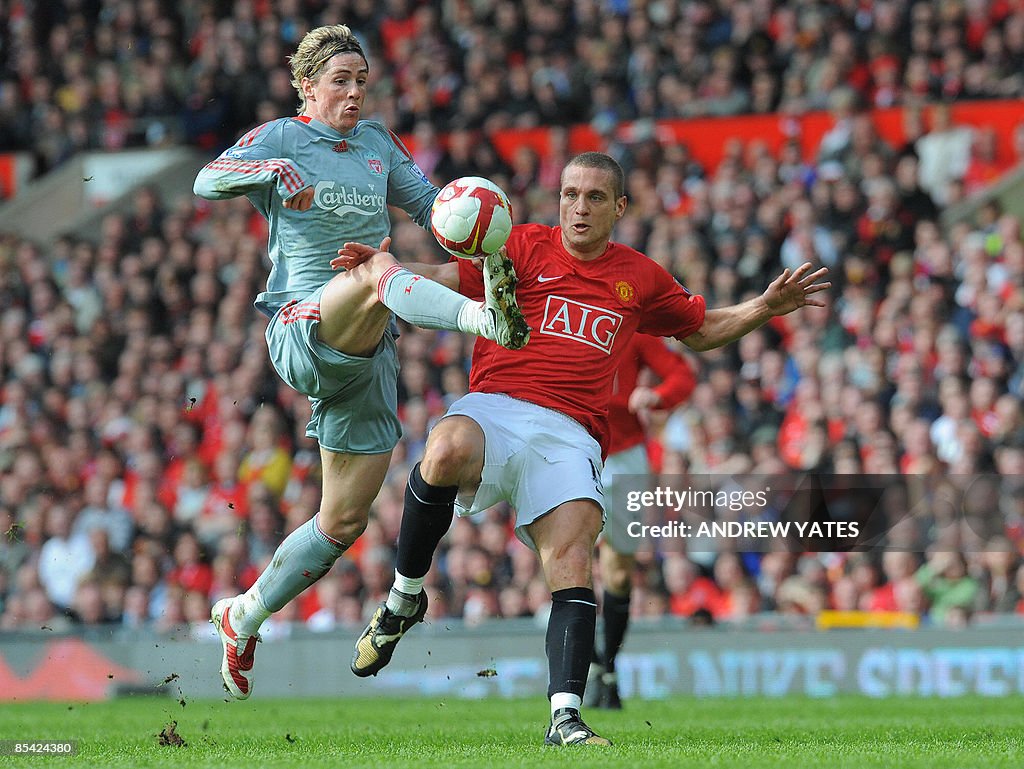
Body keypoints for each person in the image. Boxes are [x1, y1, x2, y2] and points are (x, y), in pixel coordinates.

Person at [336, 151, 829, 746]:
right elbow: (445, 281)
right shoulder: (517, 245)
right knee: (441, 451)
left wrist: (765, 308)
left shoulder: (641, 277)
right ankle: (404, 599)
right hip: (497, 406)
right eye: (571, 193)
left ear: (619, 207)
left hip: (572, 432)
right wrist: (382, 269)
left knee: (574, 564)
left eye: (595, 197)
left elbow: (699, 331)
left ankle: (566, 716)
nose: (580, 206)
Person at [192, 24, 529, 701]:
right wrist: (269, 171)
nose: (352, 93)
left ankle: (243, 613)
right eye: (339, 81)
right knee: (376, 266)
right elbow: (207, 178)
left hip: (368, 350)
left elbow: (434, 208)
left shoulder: (375, 143)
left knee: (342, 522)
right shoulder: (283, 139)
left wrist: (481, 221)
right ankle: (482, 321)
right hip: (303, 326)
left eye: (360, 82)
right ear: (307, 88)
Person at [585, 334, 696, 710]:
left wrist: (657, 396)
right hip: (571, 446)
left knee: (617, 573)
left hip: (625, 456)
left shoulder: (634, 330)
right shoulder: (558, 312)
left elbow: (681, 375)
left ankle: (608, 668)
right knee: (566, 559)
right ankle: (594, 666)